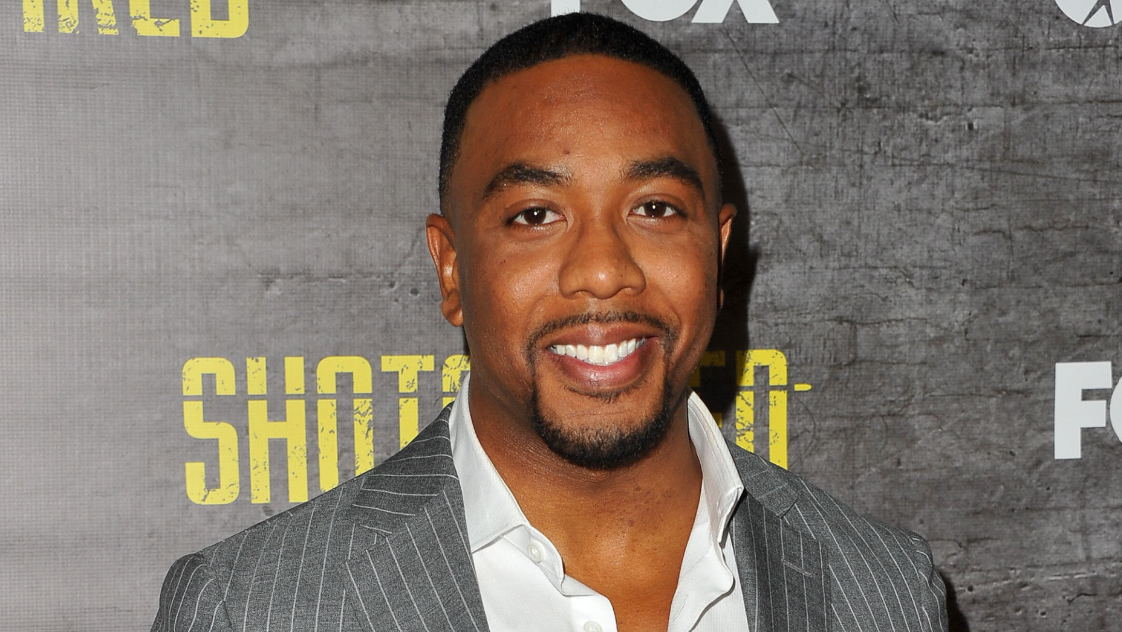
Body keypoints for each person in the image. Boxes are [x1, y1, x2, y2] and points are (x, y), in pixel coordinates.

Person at [153, 13, 948, 632]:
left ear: (717, 251)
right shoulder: (252, 607)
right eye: (535, 215)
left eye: (655, 208)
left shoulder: (883, 589)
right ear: (452, 268)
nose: (602, 270)